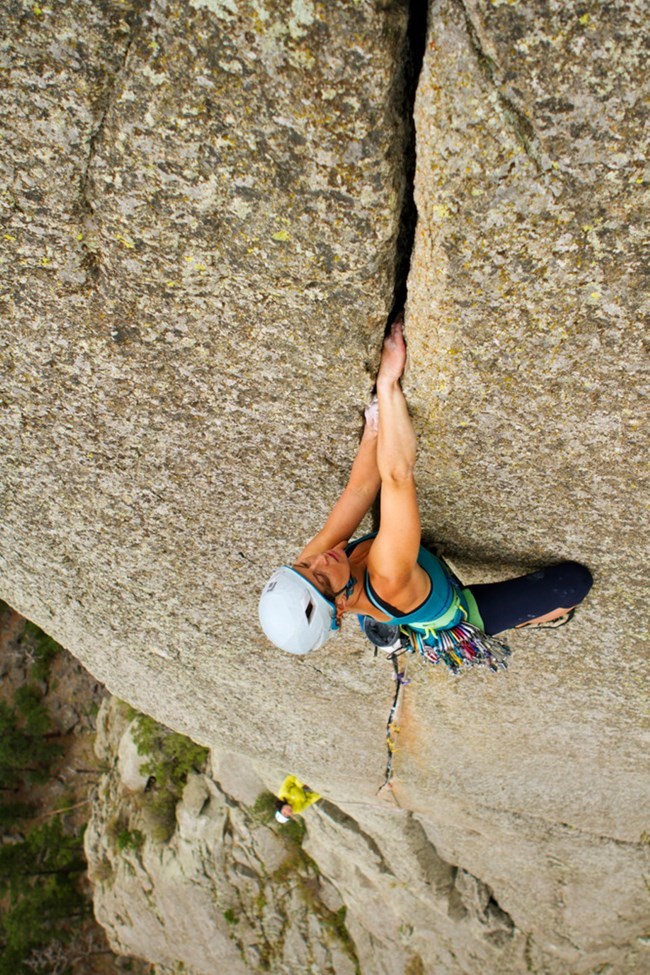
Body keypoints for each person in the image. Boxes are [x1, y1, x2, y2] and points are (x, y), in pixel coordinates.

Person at [259, 315, 592, 666]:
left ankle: (391, 628)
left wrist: (374, 430)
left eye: (304, 566)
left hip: (398, 581)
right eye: (320, 577)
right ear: (339, 607)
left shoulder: (318, 565)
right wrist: (388, 386)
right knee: (572, 583)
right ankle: (531, 619)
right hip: (449, 613)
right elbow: (398, 476)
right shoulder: (387, 577)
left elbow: (358, 492)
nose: (318, 560)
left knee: (379, 570)